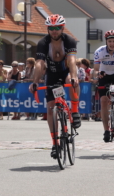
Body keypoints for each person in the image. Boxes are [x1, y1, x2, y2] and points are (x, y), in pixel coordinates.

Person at [29, 14, 80, 159]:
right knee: (51, 108)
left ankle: (75, 111)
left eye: (57, 28)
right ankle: (55, 143)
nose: (54, 31)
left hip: (65, 71)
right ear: (48, 29)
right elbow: (39, 63)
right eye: (51, 28)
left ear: (62, 28)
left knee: (72, 80)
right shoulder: (43, 43)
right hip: (51, 73)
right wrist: (35, 81)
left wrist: (74, 76)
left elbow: (71, 60)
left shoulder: (69, 40)